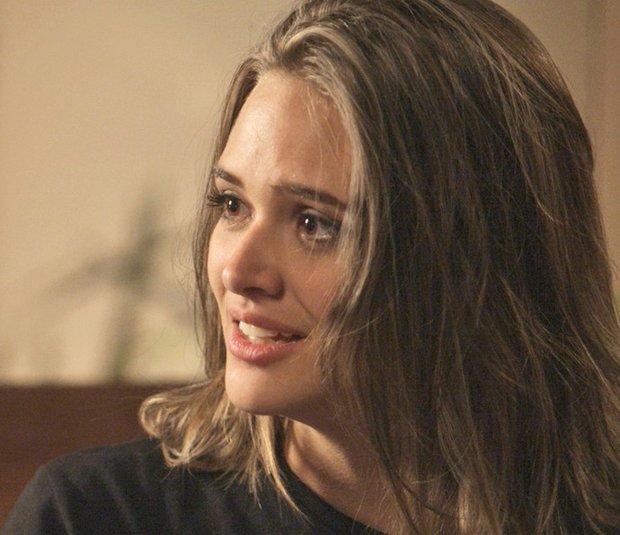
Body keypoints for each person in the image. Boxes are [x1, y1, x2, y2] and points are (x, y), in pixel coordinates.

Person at [5, 0, 619, 533]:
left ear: (473, 259)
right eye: (232, 205)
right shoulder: (93, 516)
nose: (238, 270)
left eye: (314, 224)